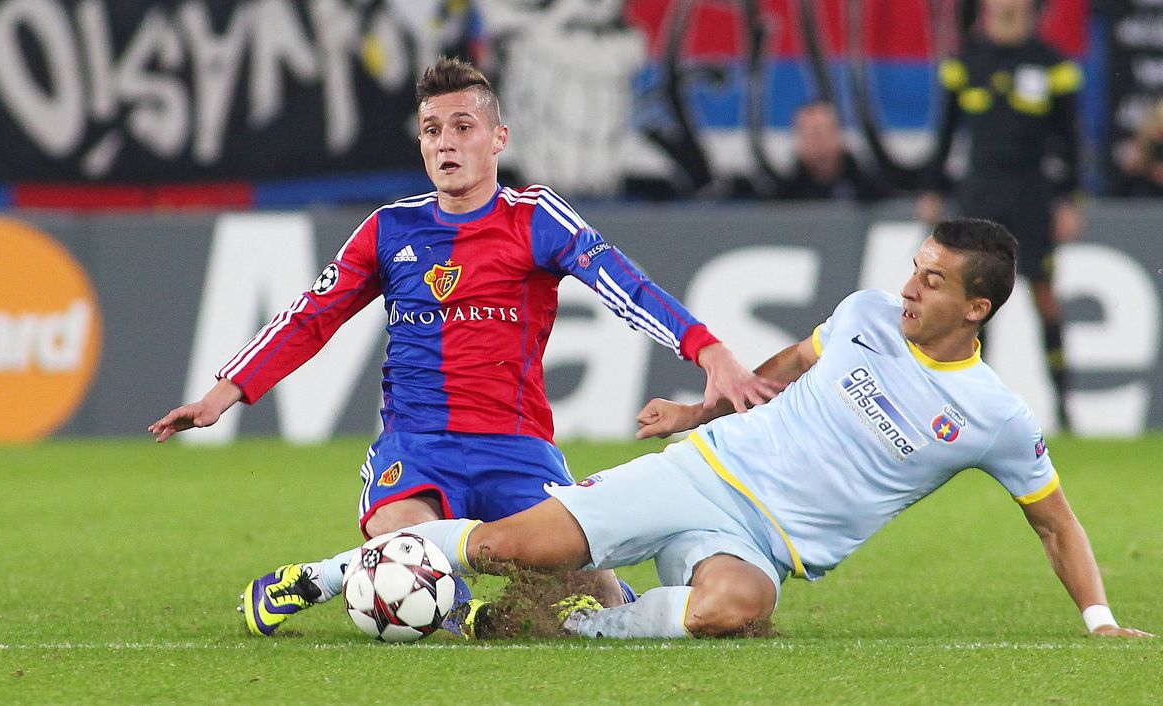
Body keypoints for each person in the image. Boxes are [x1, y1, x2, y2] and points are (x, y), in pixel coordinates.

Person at [148, 57, 777, 637]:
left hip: (518, 451)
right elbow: (310, 316)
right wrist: (223, 393)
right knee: (402, 546)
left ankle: (324, 577)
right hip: (416, 448)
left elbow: (624, 285)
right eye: (431, 130)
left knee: (595, 599)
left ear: (498, 138)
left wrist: (708, 350)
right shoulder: (389, 228)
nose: (445, 142)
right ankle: (460, 614)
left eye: (462, 126)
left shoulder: (536, 218)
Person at [408, 219, 1152, 640]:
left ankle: (574, 626)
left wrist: (1100, 621)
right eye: (914, 268)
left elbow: (1056, 524)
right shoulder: (865, 315)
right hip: (704, 472)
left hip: (761, 544)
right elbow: (795, 361)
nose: (907, 288)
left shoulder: (995, 417)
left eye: (932, 281)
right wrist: (698, 411)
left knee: (736, 610)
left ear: (976, 309)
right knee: (510, 546)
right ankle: (353, 566)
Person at [918, 0, 1083, 430]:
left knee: (1043, 294)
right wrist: (933, 189)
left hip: (1032, 194)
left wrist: (1069, 199)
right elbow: (945, 133)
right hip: (980, 193)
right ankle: (975, 404)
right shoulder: (964, 61)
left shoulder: (1053, 65)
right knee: (973, 300)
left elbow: (1070, 139)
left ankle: (1065, 404)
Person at [774, 101, 889, 202]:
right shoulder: (786, 192)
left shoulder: (869, 183)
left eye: (821, 133)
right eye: (809, 134)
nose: (816, 142)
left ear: (837, 133)